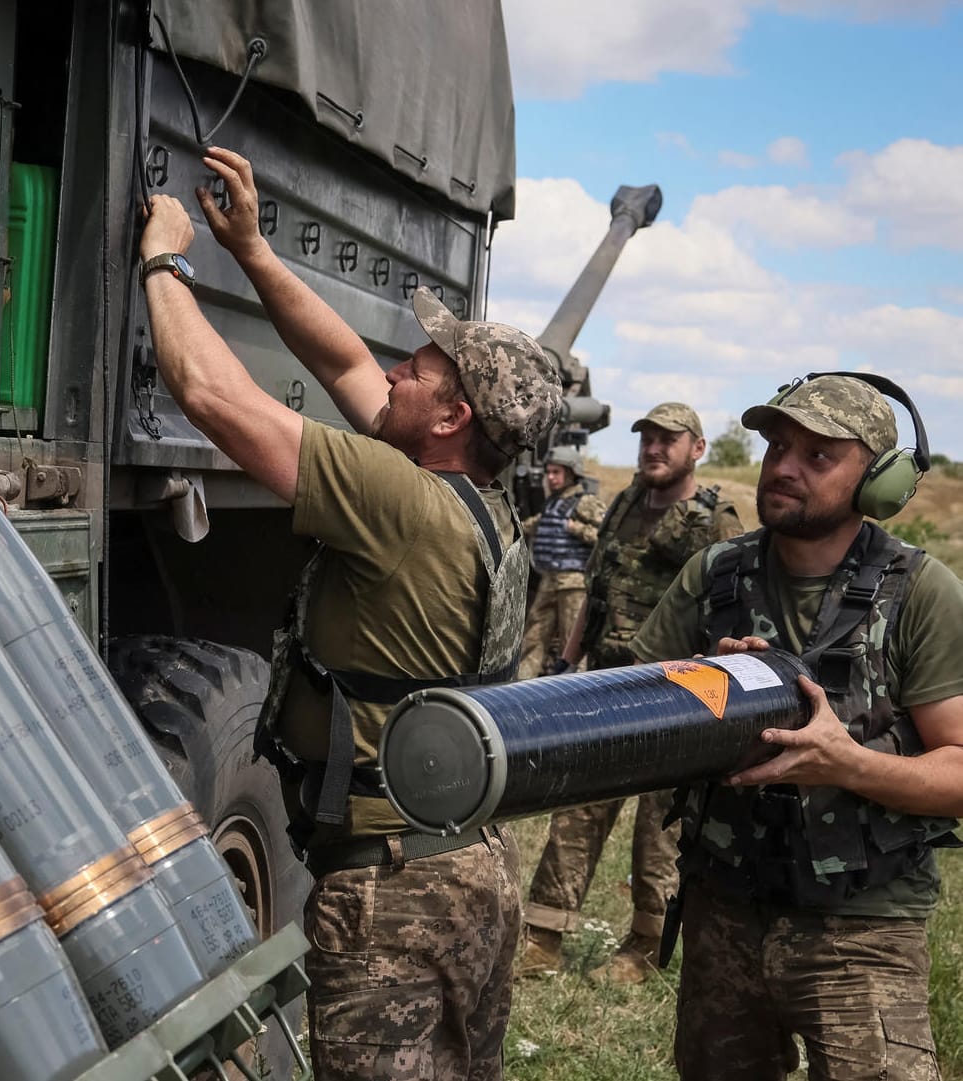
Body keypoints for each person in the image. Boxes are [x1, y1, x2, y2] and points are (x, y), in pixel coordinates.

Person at [137, 146, 561, 1081]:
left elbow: (211, 395)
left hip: (391, 891)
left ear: (450, 419)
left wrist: (164, 262)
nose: (391, 377)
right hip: (470, 868)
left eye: (414, 370)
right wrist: (249, 249)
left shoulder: (394, 499)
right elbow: (339, 362)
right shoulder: (483, 508)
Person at [630, 374, 963, 1080]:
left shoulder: (920, 592)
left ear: (878, 483)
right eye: (777, 446)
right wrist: (698, 692)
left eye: (818, 456)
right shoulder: (714, 575)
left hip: (860, 925)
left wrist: (847, 763)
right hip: (723, 908)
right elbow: (630, 728)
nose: (782, 466)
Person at [518, 403, 741, 983]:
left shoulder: (716, 520)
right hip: (607, 685)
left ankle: (644, 944)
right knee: (577, 811)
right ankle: (542, 935)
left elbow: (735, 612)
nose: (654, 449)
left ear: (697, 449)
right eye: (647, 438)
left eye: (669, 440)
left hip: (677, 696)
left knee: (660, 830)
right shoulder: (621, 506)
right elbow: (594, 593)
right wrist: (568, 662)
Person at [516, 445, 607, 680]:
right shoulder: (553, 503)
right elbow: (537, 523)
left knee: (572, 645)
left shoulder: (586, 502)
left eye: (556, 472)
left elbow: (606, 537)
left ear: (571, 473)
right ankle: (521, 688)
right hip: (549, 580)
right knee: (533, 638)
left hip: (574, 583)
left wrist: (576, 528)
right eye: (549, 472)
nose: (551, 478)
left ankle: (576, 690)